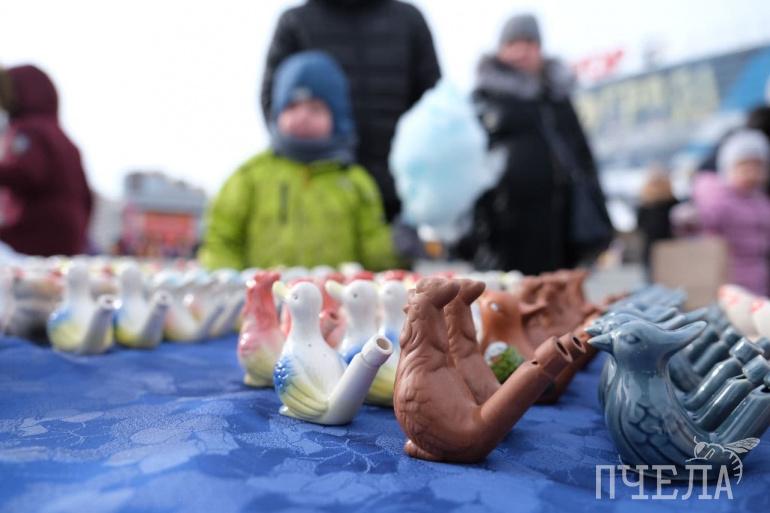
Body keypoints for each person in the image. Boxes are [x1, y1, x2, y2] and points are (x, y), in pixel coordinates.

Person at [199, 51, 397, 271]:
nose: (303, 116)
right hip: (266, 292)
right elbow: (221, 240)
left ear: (338, 118)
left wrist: (398, 247)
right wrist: (232, 283)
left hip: (332, 292)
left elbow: (374, 251)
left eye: (315, 108)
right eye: (292, 106)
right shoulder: (249, 177)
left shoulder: (355, 182)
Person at [260, 0, 441, 222]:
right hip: (317, 199)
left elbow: (433, 108)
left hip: (397, 198)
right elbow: (275, 104)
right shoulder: (296, 22)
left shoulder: (409, 20)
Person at [459, 13, 610, 274]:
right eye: (512, 43)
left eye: (529, 43)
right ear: (500, 49)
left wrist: (599, 215)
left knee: (558, 293)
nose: (521, 51)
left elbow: (583, 159)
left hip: (560, 230)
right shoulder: (482, 101)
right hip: (501, 235)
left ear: (540, 48)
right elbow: (465, 169)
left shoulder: (557, 98)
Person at [0, 65, 92, 256]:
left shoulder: (28, 131)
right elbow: (87, 196)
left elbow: (27, 174)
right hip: (69, 235)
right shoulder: (61, 136)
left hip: (37, 234)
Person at [693, 129, 770, 296]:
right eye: (745, 166)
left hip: (760, 276)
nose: (752, 172)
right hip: (729, 276)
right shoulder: (719, 198)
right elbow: (705, 219)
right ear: (729, 168)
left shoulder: (760, 199)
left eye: (758, 166)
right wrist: (692, 218)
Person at [636, 168, 678, 275]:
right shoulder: (673, 203)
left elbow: (640, 227)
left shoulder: (645, 206)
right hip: (669, 247)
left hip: (652, 249)